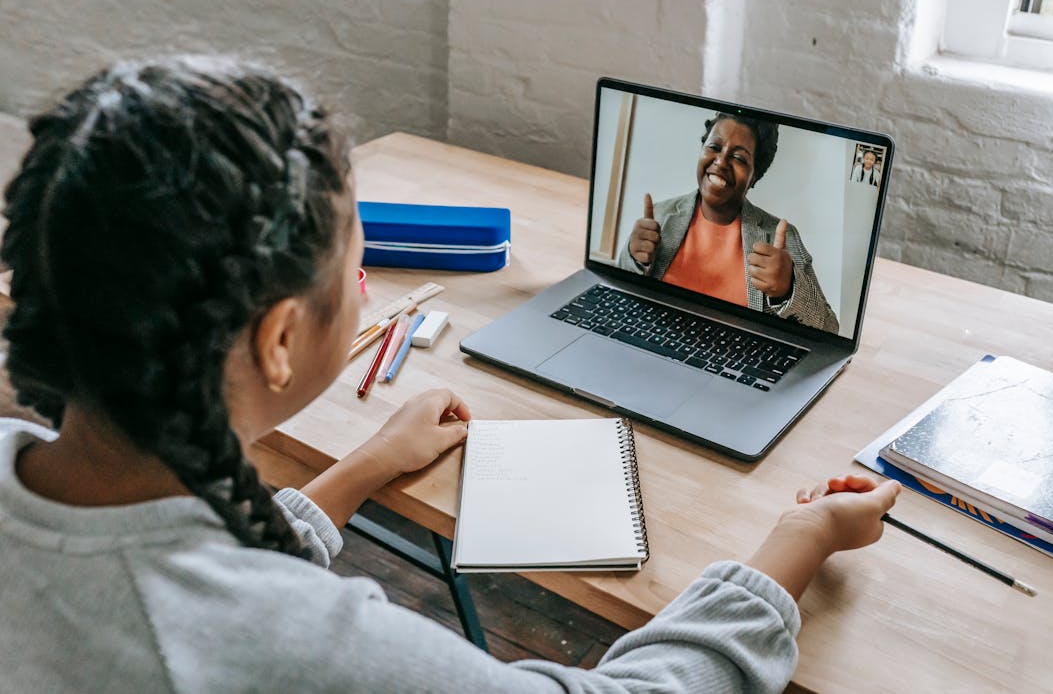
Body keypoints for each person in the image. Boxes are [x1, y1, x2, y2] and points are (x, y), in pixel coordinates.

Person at [0, 58, 900, 693]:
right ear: (279, 340)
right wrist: (797, 542)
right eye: (355, 262)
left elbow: (181, 557)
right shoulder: (302, 644)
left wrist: (356, 471)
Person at [617, 113, 840, 334]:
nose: (721, 162)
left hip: (735, 362)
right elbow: (620, 298)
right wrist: (632, 258)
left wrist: (788, 289)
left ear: (754, 177)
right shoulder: (660, 216)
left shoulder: (780, 237)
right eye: (714, 146)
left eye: (739, 158)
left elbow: (829, 329)